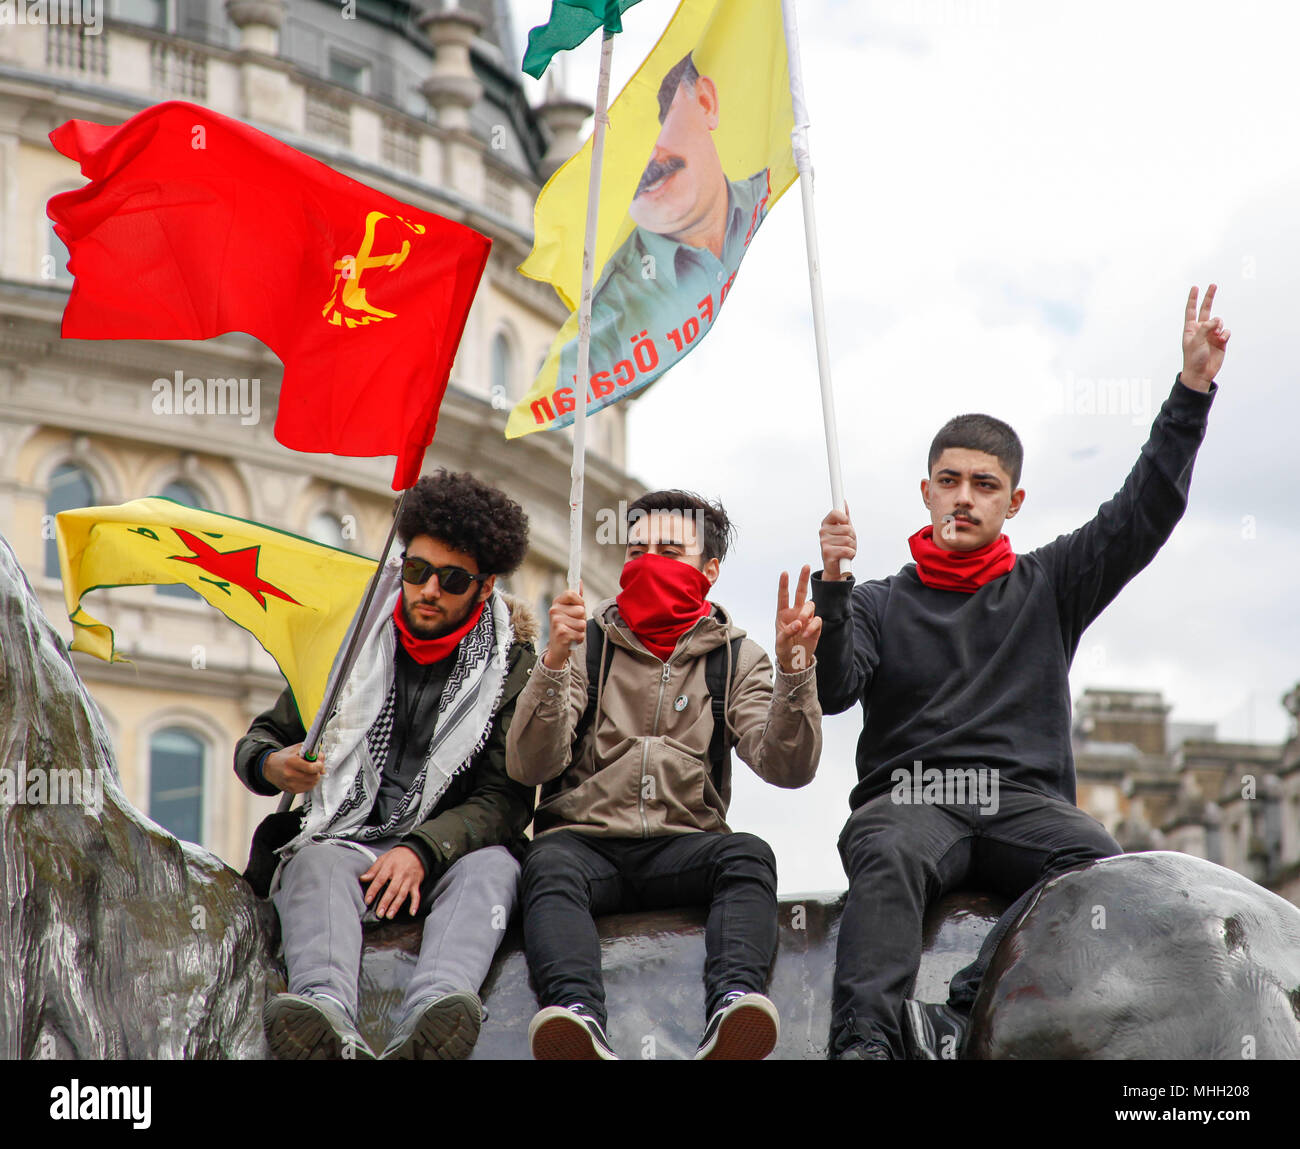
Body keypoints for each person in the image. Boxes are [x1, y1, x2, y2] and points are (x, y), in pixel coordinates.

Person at [812, 286, 1231, 1060]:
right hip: (913, 799)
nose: (963, 497)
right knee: (886, 846)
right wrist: (832, 597)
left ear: (1014, 500)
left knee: (1103, 862)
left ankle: (958, 1012)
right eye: (950, 479)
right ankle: (865, 1044)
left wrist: (1192, 390)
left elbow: (1144, 509)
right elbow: (835, 690)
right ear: (926, 489)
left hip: (1024, 804)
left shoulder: (1050, 582)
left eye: (984, 484)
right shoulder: (873, 599)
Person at [507, 490, 822, 1060]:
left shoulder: (739, 658)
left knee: (748, 856)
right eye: (638, 550)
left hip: (684, 847)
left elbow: (788, 767)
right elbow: (530, 763)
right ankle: (576, 1018)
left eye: (670, 550)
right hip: (586, 845)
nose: (649, 562)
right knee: (545, 864)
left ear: (710, 570)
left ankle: (734, 1005)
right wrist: (552, 662)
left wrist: (796, 673)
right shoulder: (586, 643)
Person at [235, 470, 537, 1061]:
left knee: (496, 870)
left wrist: (421, 850)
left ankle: (435, 1018)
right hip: (342, 842)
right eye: (417, 571)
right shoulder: (345, 646)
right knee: (312, 859)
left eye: (451, 580)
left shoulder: (514, 668)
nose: (428, 591)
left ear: (484, 586)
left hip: (449, 857)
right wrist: (274, 766)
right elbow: (263, 739)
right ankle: (322, 1015)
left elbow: (504, 801)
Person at [553, 53, 772, 405]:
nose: (648, 159)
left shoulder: (769, 187)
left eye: (661, 123)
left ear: (706, 103)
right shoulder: (607, 314)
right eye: (628, 152)